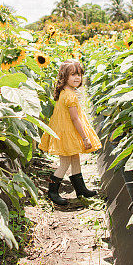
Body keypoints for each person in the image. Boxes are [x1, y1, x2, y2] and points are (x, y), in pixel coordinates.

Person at [38, 60, 102, 205]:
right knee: (65, 162)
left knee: (75, 158)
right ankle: (52, 192)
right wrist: (85, 138)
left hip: (64, 131)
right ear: (64, 77)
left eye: (79, 74)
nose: (77, 77)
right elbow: (75, 119)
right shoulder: (70, 96)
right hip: (67, 133)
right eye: (73, 74)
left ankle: (81, 189)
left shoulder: (65, 92)